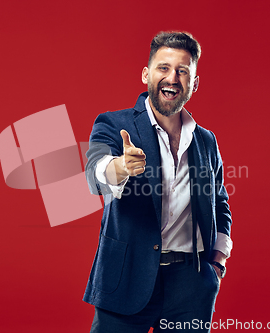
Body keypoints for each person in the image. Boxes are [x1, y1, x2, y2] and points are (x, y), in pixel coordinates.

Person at [83, 31, 233, 333]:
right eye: (164, 68)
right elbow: (95, 173)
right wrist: (120, 167)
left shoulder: (206, 140)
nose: (172, 78)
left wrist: (216, 260)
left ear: (194, 83)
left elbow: (219, 201)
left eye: (183, 71)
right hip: (126, 279)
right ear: (146, 74)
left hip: (191, 286)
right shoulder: (114, 124)